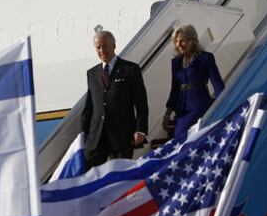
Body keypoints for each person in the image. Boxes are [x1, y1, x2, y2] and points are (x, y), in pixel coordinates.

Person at [81, 30, 149, 170]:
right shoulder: (92, 74)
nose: (101, 50)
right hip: (96, 138)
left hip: (122, 136)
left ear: (114, 45)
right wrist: (85, 135)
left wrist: (141, 130)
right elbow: (89, 106)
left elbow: (141, 103)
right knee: (92, 177)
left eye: (104, 46)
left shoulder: (130, 70)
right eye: (98, 47)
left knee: (120, 176)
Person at [163, 25, 225, 136]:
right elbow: (174, 89)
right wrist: (167, 114)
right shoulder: (176, 62)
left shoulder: (205, 58)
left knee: (185, 138)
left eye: (182, 41)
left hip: (200, 106)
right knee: (179, 137)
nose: (178, 45)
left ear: (192, 40)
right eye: (176, 41)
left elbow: (218, 84)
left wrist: (223, 106)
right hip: (182, 111)